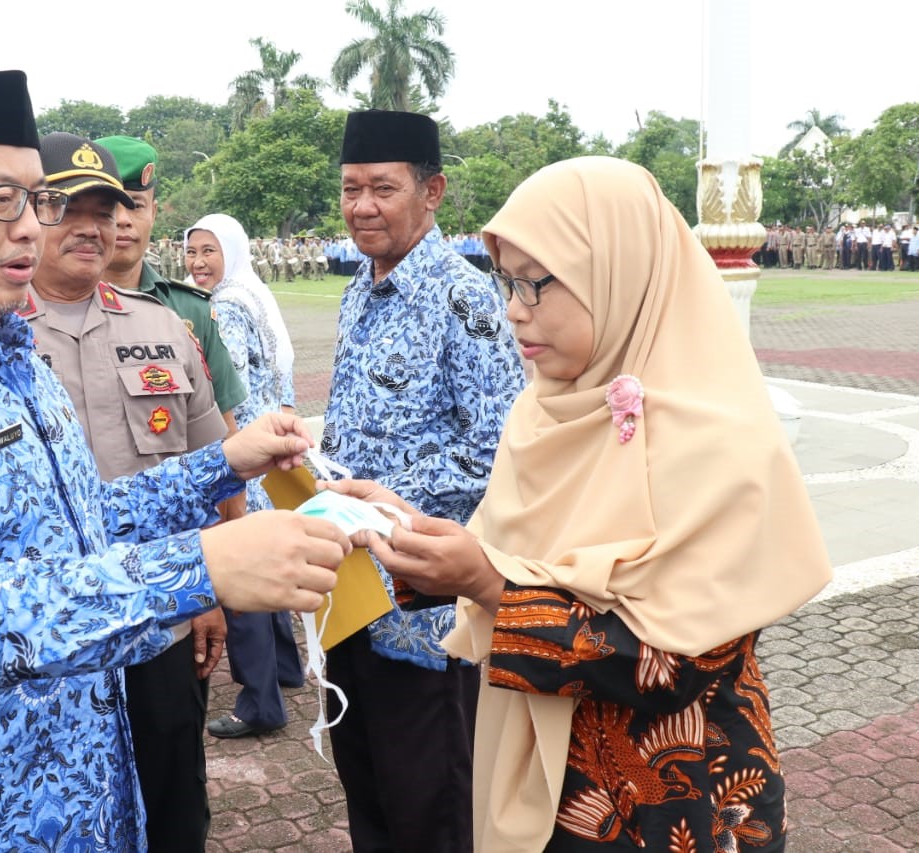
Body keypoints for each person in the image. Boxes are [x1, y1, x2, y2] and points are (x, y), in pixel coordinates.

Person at [0, 70, 348, 853]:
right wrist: (198, 566)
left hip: (90, 797)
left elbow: (79, 523)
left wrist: (222, 463)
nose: (30, 226)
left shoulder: (11, 356)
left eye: (35, 200)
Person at [327, 156, 832, 851]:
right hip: (542, 785)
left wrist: (483, 581)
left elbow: (675, 661)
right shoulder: (541, 416)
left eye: (537, 283)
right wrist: (413, 535)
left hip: (677, 806)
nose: (513, 308)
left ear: (618, 276)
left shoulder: (723, 443)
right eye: (508, 281)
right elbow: (503, 552)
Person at [321, 109, 525, 852]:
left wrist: (378, 498)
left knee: (432, 809)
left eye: (383, 188)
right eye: (349, 189)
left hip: (423, 609)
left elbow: (501, 446)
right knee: (368, 796)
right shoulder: (359, 288)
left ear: (432, 190)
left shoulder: (462, 296)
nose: (362, 206)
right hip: (348, 597)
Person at [20, 131, 228, 853]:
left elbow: (211, 465)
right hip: (45, 632)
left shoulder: (162, 325)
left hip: (161, 620)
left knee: (174, 796)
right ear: (27, 211)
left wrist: (207, 593)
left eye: (105, 209)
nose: (90, 226)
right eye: (67, 208)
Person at [183, 212, 305, 739]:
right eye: (192, 251)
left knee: (241, 578)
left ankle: (260, 703)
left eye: (209, 251)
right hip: (270, 445)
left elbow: (222, 391)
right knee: (270, 559)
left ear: (230, 251)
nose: (197, 262)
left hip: (242, 451)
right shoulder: (252, 293)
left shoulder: (226, 307)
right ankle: (285, 669)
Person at [95, 135, 248, 440]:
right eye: (110, 207)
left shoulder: (192, 311)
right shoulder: (46, 309)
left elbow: (225, 441)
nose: (123, 220)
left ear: (153, 213)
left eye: (135, 205)